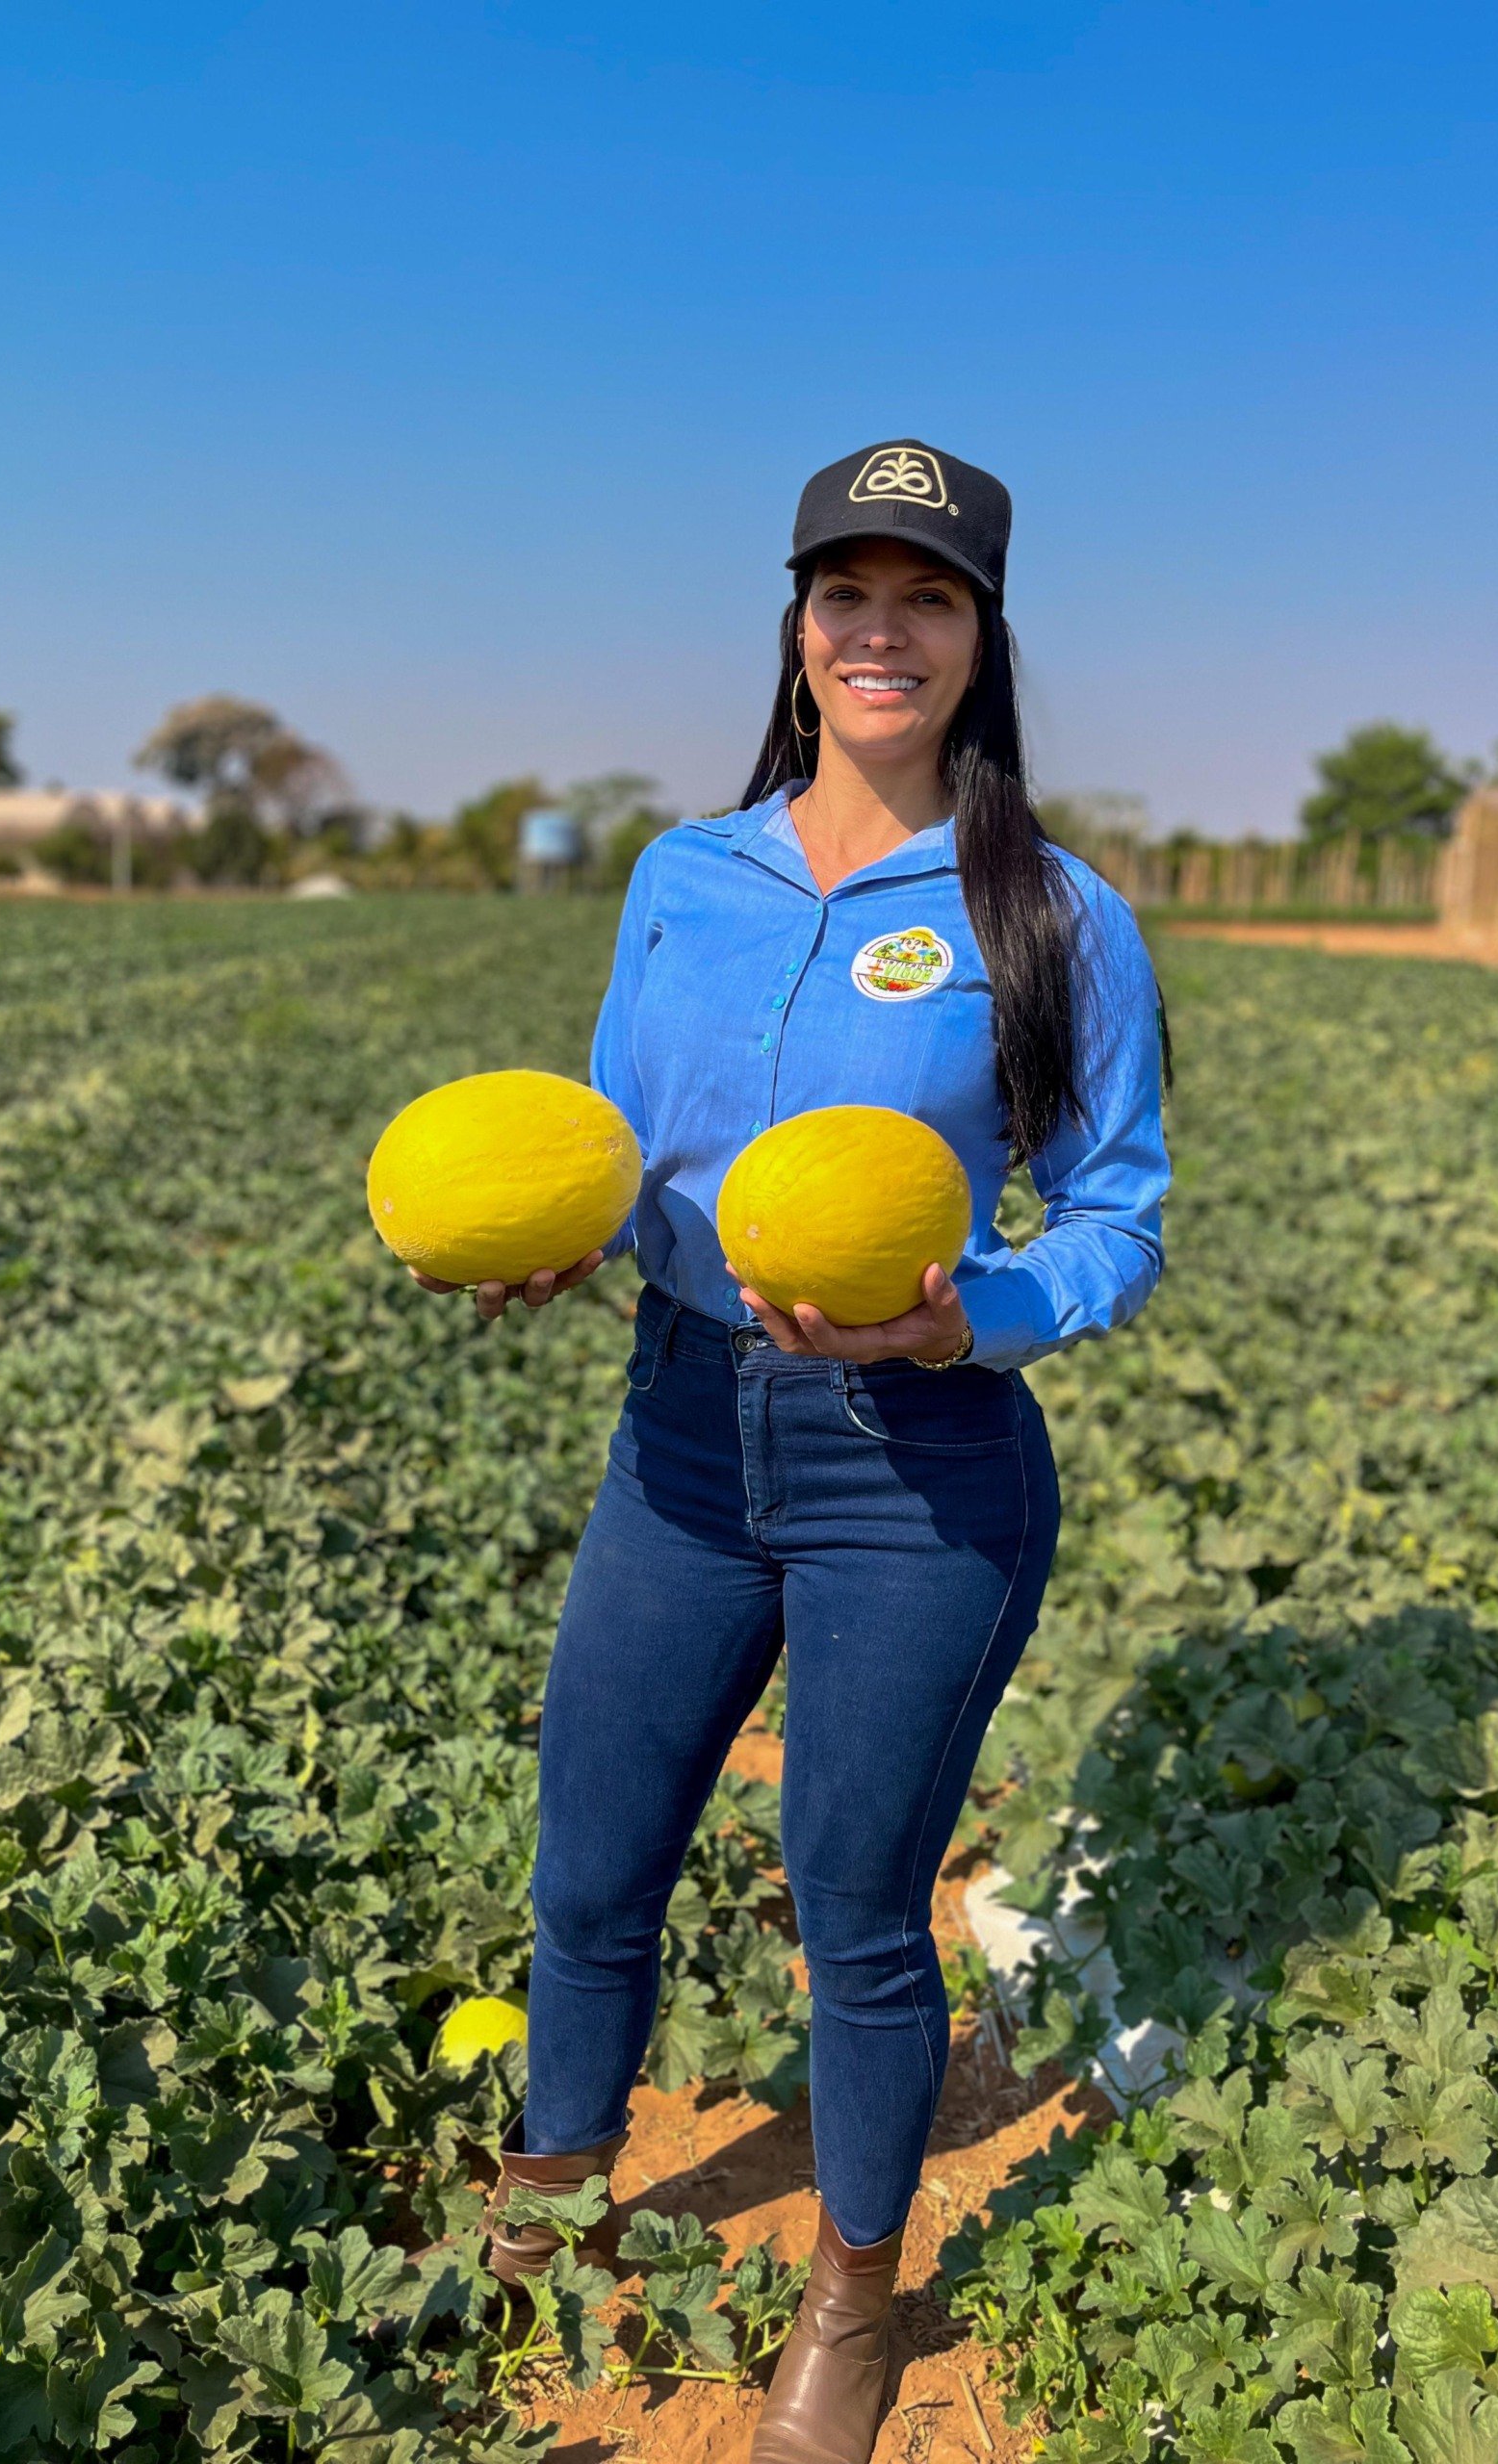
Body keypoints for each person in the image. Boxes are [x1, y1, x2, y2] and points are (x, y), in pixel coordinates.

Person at [412, 439, 1171, 2464]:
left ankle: (851, 2292)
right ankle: (562, 2172)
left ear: (982, 637)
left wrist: (970, 1312)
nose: (880, 627)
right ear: (798, 626)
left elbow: (1115, 1218)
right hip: (679, 1436)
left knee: (852, 1901)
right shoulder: (687, 875)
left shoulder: (1055, 913)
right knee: (592, 1861)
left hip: (913, 1473)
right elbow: (609, 1136)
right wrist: (565, 1242)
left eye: (924, 594)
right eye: (846, 590)